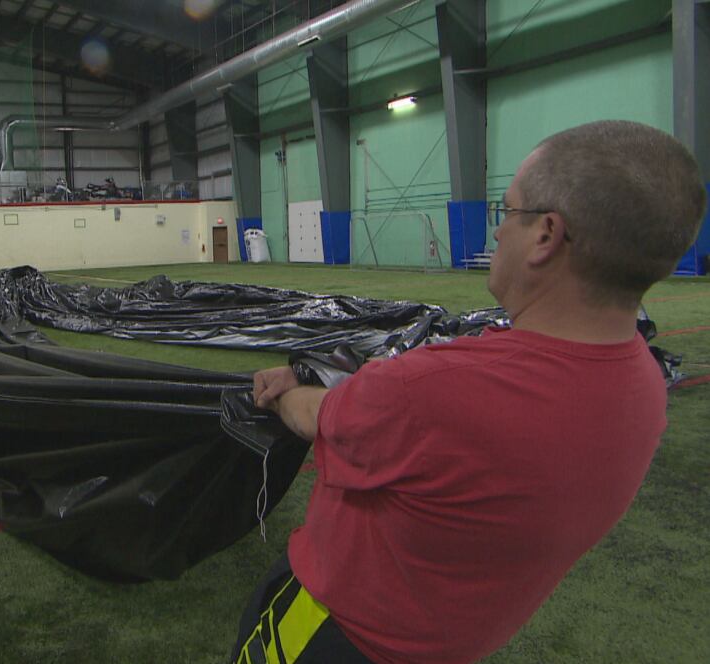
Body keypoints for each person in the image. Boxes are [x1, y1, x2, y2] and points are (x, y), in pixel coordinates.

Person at [232, 120, 707, 664]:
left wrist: (284, 387)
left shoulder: (433, 387)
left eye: (509, 213)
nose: (499, 232)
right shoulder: (644, 382)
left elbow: (318, 416)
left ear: (546, 237)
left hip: (330, 635)